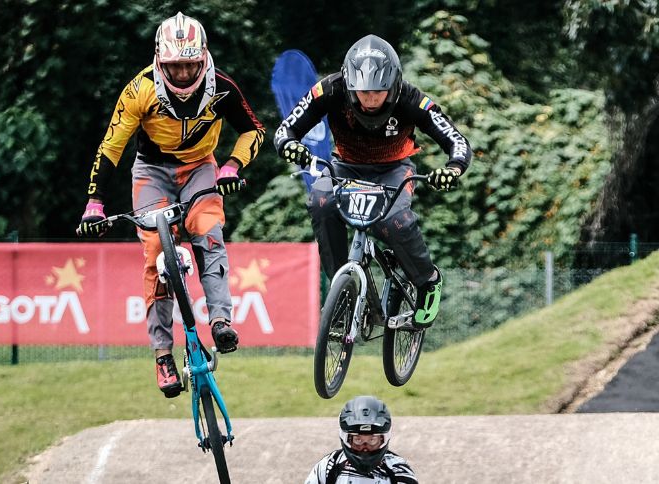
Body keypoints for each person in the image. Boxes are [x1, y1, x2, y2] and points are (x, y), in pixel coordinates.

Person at [77, 12, 265, 398]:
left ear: (204, 59)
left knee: (209, 235)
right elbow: (111, 148)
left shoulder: (223, 87)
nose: (182, 74)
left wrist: (232, 165)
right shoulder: (139, 89)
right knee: (154, 256)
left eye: (190, 65)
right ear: (159, 62)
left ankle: (221, 321)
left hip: (201, 168)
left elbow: (254, 129)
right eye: (174, 67)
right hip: (151, 172)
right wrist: (94, 203)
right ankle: (163, 355)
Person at [274, 34, 471, 327]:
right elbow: (285, 130)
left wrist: (453, 169)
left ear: (393, 85)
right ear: (349, 84)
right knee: (320, 201)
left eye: (378, 92)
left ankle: (428, 281)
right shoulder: (330, 89)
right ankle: (341, 288)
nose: (369, 100)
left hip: (394, 169)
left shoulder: (411, 97)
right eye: (362, 92)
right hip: (345, 166)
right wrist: (290, 145)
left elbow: (456, 140)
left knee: (395, 220)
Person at [305, 395, 418, 483]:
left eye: (372, 440)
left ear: (384, 439)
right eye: (358, 440)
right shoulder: (327, 468)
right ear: (346, 439)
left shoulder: (399, 472)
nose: (365, 449)